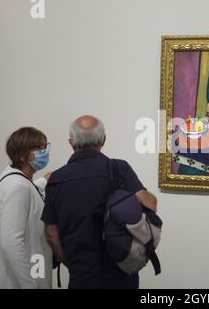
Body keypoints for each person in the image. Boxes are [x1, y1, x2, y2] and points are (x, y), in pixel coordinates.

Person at [41, 115, 157, 289]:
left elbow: (51, 233)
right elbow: (151, 205)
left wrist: (72, 264)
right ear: (103, 140)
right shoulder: (119, 169)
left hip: (81, 275)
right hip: (121, 273)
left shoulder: (56, 179)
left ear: (71, 142)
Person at [0, 127, 53, 289]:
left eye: (45, 146)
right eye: (38, 148)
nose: (44, 152)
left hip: (31, 272)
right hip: (20, 282)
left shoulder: (14, 178)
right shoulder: (17, 186)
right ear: (22, 155)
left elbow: (27, 194)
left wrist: (44, 182)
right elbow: (12, 242)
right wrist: (29, 285)